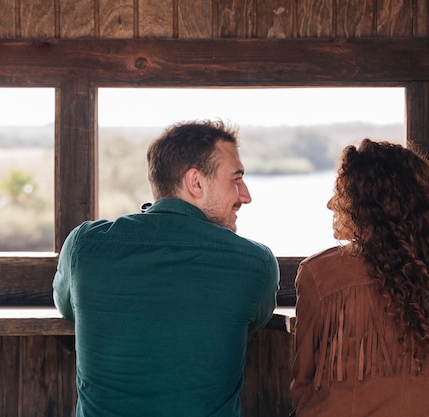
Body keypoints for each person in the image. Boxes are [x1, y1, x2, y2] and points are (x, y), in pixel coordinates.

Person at [53, 120, 280, 417]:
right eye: (236, 179)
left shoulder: (85, 246)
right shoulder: (255, 263)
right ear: (195, 182)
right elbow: (254, 319)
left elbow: (67, 307)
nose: (245, 195)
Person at [290, 139, 429, 417]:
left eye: (342, 193)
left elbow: (303, 383)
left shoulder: (319, 273)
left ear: (369, 204)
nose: (331, 203)